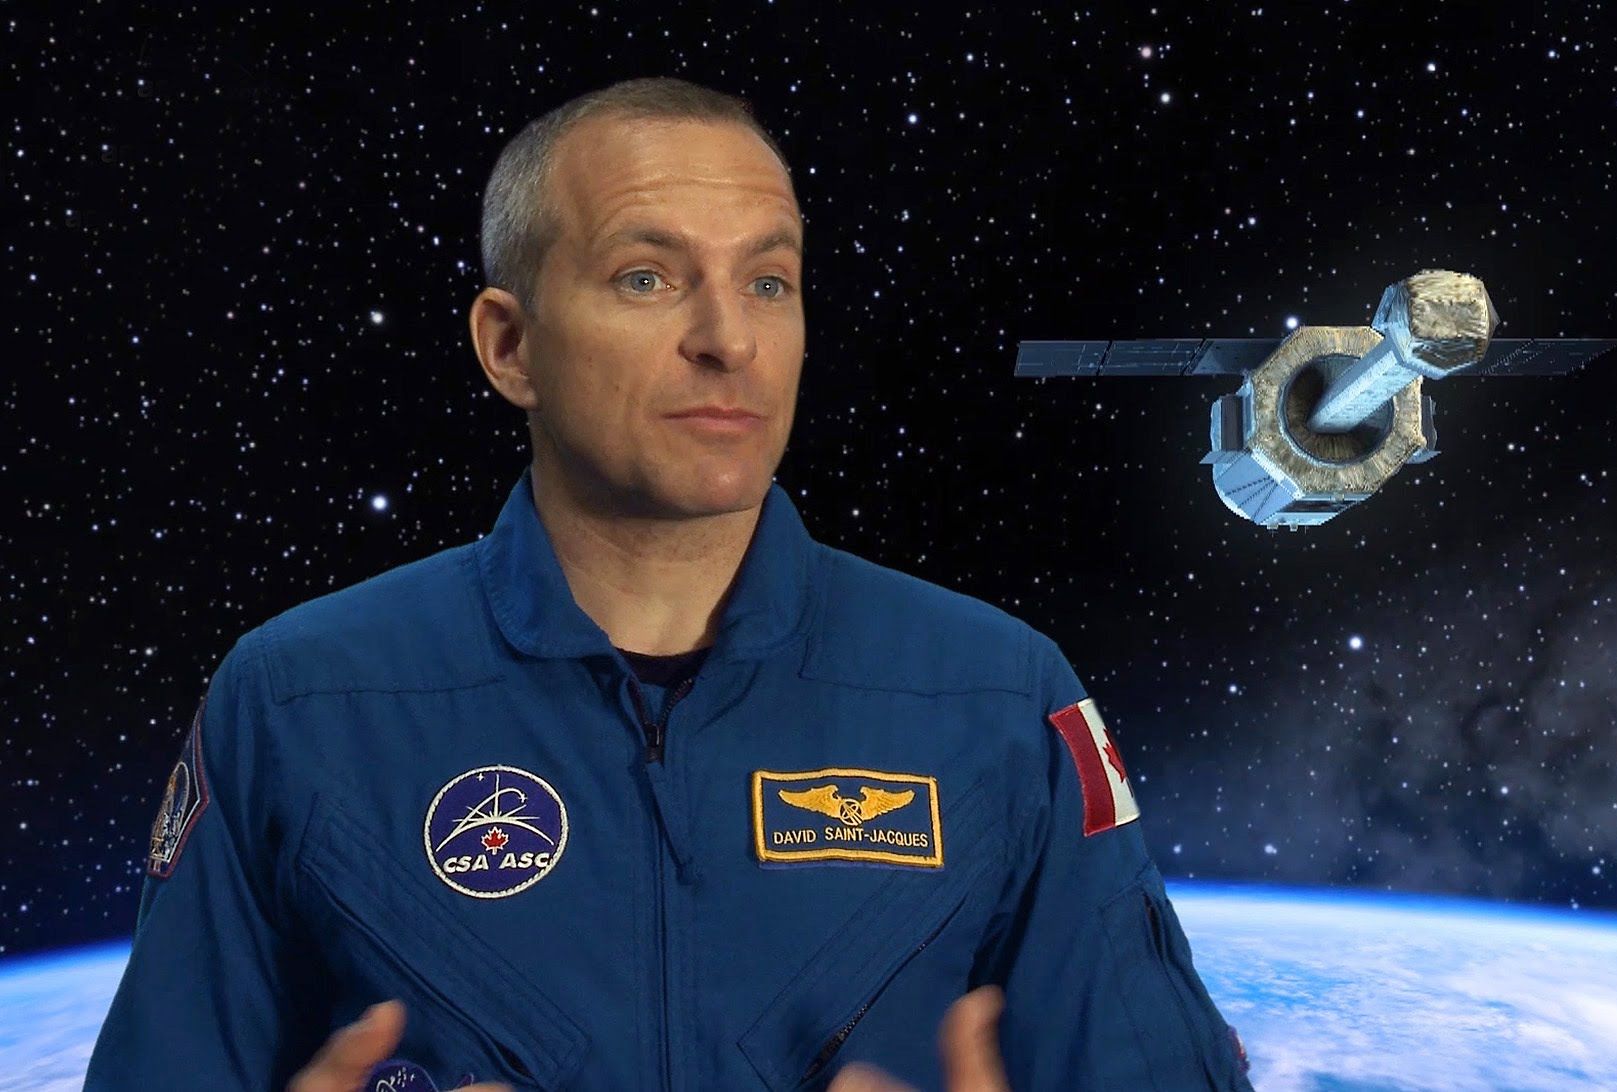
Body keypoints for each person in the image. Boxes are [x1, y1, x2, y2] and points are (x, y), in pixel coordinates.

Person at [83, 76, 1253, 1091]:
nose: (727, 340)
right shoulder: (298, 704)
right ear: (509, 345)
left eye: (768, 282)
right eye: (646, 278)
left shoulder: (996, 698)